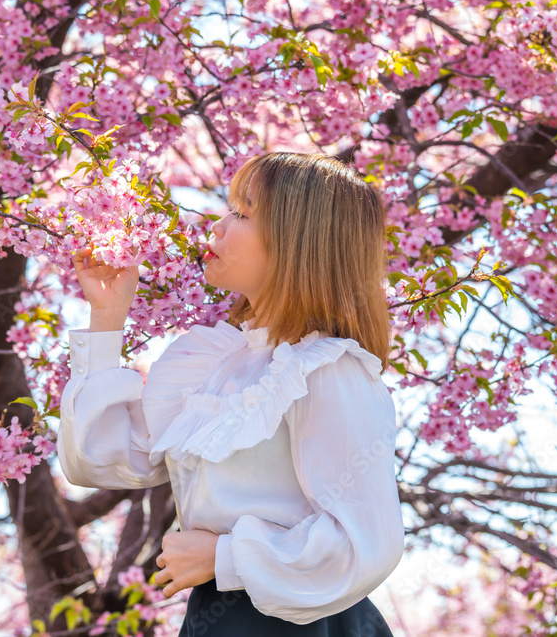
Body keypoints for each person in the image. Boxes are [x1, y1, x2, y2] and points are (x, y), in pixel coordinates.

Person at [59, 152, 405, 636]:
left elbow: (366, 541)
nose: (217, 226)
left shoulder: (327, 369)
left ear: (296, 241)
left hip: (297, 620)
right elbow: (97, 461)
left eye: (242, 214)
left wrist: (227, 556)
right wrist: (107, 317)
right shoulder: (216, 362)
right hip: (217, 613)